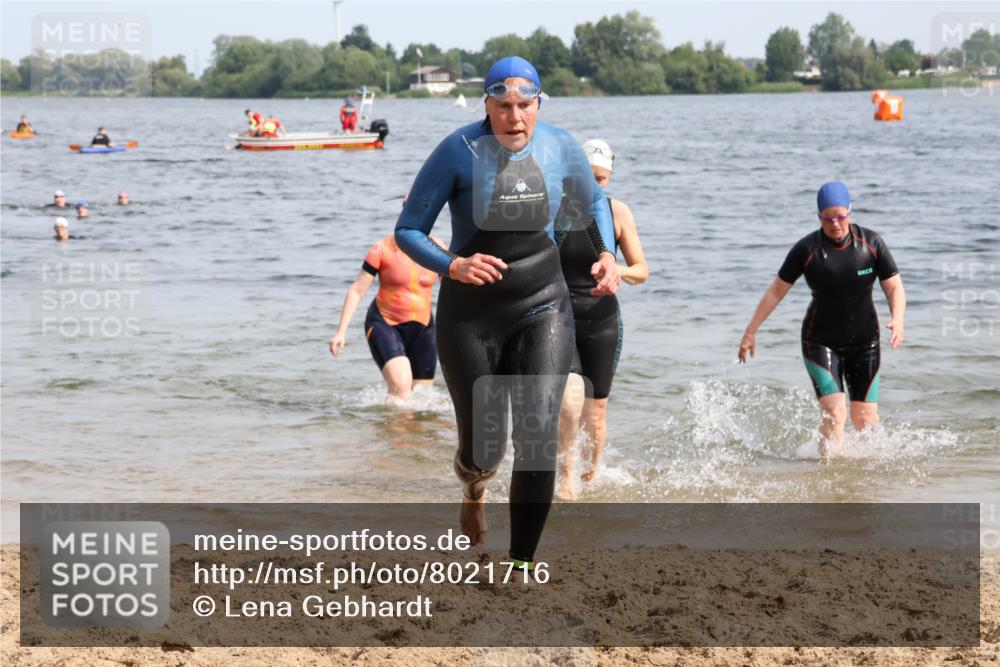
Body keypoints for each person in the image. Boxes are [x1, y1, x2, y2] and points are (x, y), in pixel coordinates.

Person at [395, 56, 619, 568]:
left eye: (524, 105)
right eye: (503, 106)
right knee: (485, 450)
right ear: (487, 105)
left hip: (544, 301)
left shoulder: (561, 146)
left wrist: (607, 253)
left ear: (539, 103)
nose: (514, 117)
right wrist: (453, 266)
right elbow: (407, 230)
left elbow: (595, 204)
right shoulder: (458, 150)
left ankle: (521, 563)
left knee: (538, 433)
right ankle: (474, 490)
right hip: (470, 314)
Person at [738, 181, 906, 459]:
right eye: (828, 218)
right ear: (819, 217)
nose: (835, 224)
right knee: (835, 413)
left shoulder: (871, 244)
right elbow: (776, 291)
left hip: (866, 342)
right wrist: (751, 331)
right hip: (820, 342)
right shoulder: (807, 250)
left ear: (850, 212)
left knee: (864, 418)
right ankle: (828, 476)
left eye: (840, 216)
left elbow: (894, 286)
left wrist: (897, 319)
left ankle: (870, 480)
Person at [555, 139, 649, 500]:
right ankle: (566, 477)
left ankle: (591, 478)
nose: (594, 184)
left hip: (602, 320)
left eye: (601, 178)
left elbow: (642, 270)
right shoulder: (553, 210)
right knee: (568, 400)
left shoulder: (616, 212)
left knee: (594, 416)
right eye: (587, 176)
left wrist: (615, 270)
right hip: (559, 317)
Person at [329, 233, 442, 400]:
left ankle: (404, 425)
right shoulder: (381, 249)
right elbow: (357, 290)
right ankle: (393, 425)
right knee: (401, 386)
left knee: (422, 398)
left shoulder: (437, 248)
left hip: (423, 326)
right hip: (384, 323)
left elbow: (453, 285)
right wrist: (341, 331)